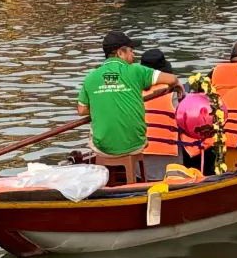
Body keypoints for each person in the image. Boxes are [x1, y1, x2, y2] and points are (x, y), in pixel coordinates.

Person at [76, 30, 181, 180]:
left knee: (94, 135)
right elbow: (171, 79)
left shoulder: (90, 77)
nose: (134, 56)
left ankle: (103, 182)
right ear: (120, 53)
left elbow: (82, 110)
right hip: (135, 144)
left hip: (103, 148)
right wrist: (178, 84)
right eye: (131, 51)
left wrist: (104, 97)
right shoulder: (136, 70)